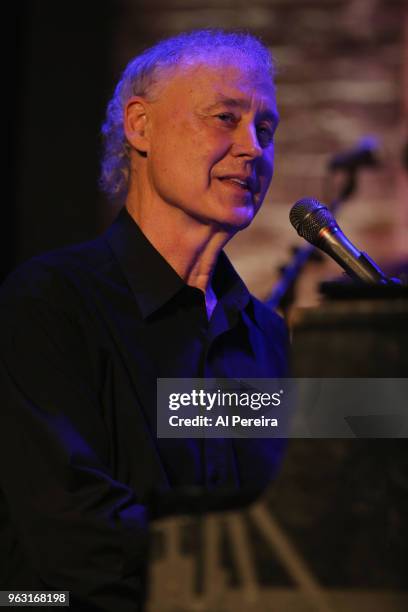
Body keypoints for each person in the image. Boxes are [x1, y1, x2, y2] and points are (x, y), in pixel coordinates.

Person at [0, 30, 288, 611]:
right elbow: (66, 531)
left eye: (265, 129)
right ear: (140, 126)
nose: (253, 147)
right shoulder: (48, 302)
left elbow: (303, 502)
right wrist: (246, 568)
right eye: (225, 117)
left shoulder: (270, 337)